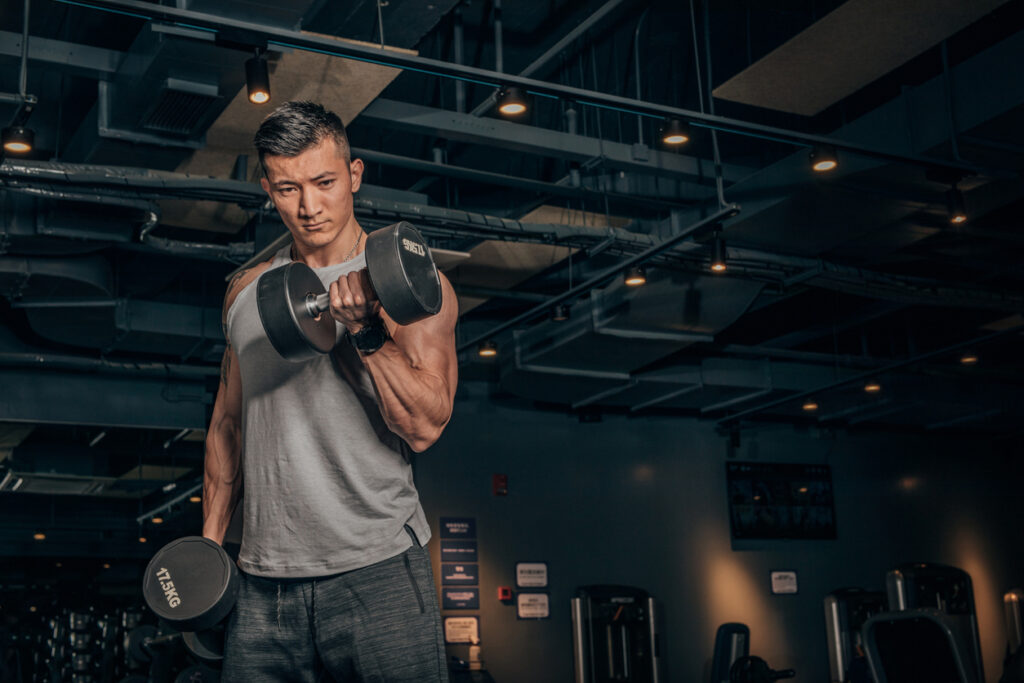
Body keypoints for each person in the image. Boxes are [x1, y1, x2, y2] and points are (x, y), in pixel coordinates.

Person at [202, 101, 458, 682]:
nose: (309, 206)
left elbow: (425, 425)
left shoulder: (413, 283)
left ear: (354, 175)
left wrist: (366, 330)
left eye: (324, 182)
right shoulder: (244, 292)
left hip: (378, 568)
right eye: (288, 188)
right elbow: (228, 426)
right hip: (262, 580)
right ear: (267, 187)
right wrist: (210, 550)